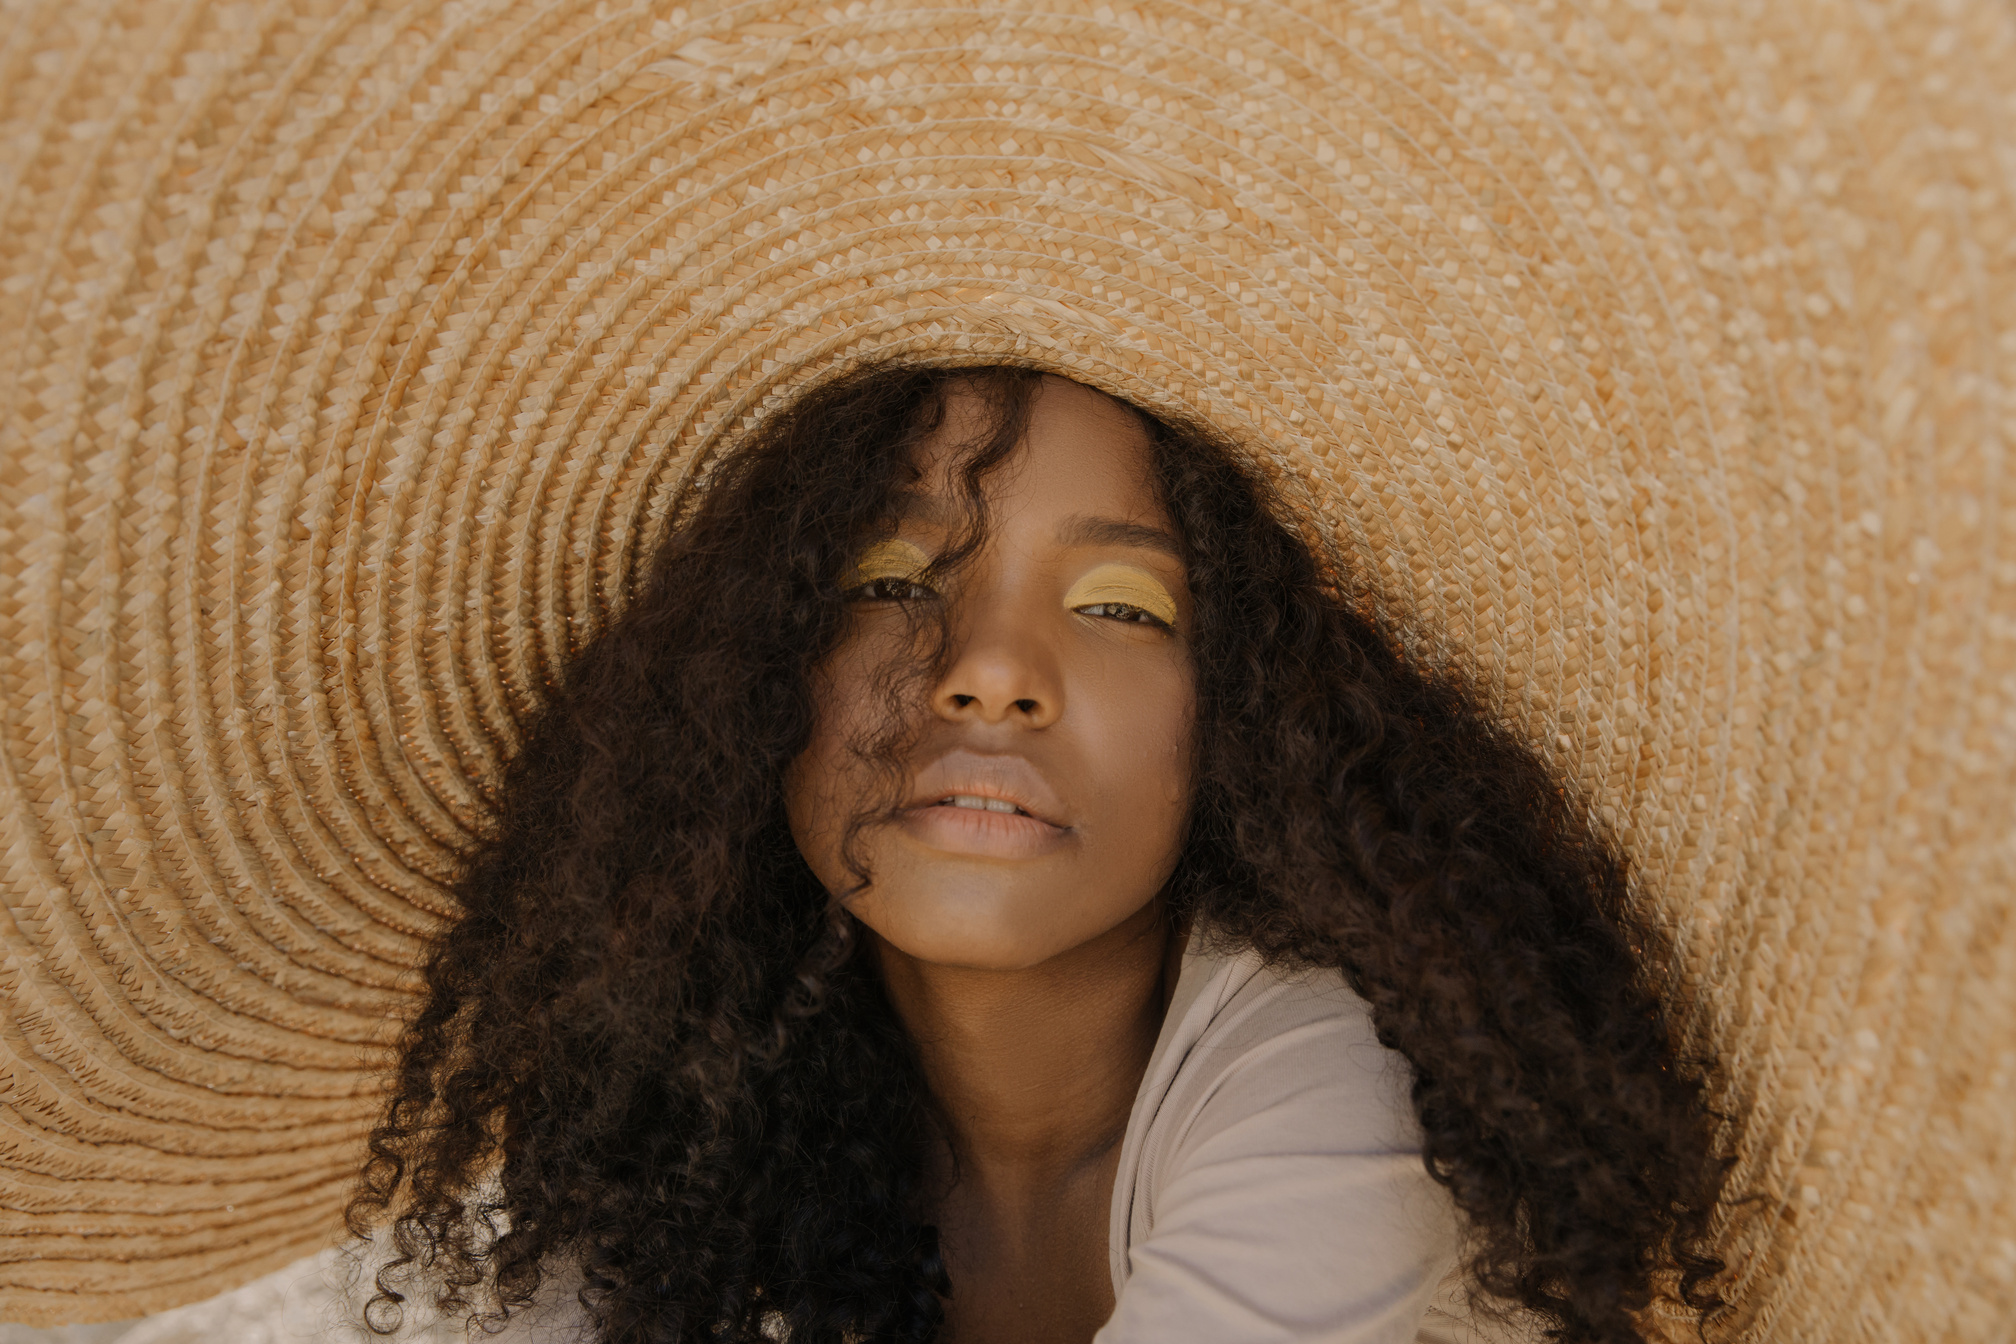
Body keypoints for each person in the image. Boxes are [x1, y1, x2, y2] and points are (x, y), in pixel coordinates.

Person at [347, 364, 1729, 1344]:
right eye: (893, 584)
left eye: (1122, 604)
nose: (992, 671)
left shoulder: (1341, 1070)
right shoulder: (694, 1131)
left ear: (1247, 710)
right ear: (752, 676)